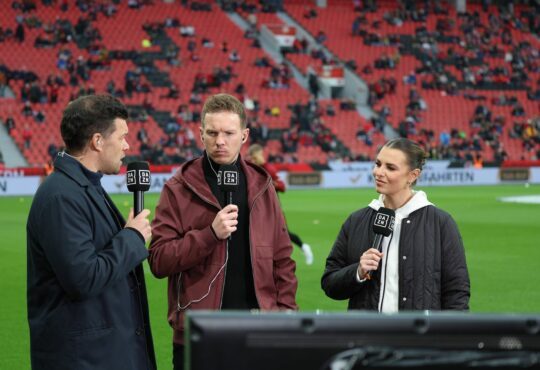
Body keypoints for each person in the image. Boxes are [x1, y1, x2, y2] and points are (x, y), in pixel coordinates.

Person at [149, 93, 298, 370]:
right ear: (200, 134)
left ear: (244, 135)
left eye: (229, 133)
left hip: (258, 330)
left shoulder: (263, 186)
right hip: (199, 332)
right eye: (212, 132)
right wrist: (209, 234)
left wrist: (286, 315)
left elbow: (282, 260)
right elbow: (159, 260)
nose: (220, 141)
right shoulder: (178, 187)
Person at [26, 95, 156, 370]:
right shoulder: (61, 196)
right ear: (97, 141)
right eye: (122, 137)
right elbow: (83, 277)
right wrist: (131, 238)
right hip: (85, 359)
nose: (127, 146)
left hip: (102, 353)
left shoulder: (83, 186)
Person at [322, 138, 470, 312]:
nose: (379, 172)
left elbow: (457, 293)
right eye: (378, 164)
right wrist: (358, 272)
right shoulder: (356, 220)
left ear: (413, 175)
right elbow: (330, 283)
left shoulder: (440, 223)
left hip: (418, 337)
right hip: (366, 336)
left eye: (390, 168)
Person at [247, 143, 314, 265]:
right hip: (259, 209)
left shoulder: (269, 169)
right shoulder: (252, 169)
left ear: (259, 155)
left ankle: (304, 247)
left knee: (284, 234)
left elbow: (282, 187)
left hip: (273, 209)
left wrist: (270, 183)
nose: (252, 160)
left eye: (254, 157)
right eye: (251, 158)